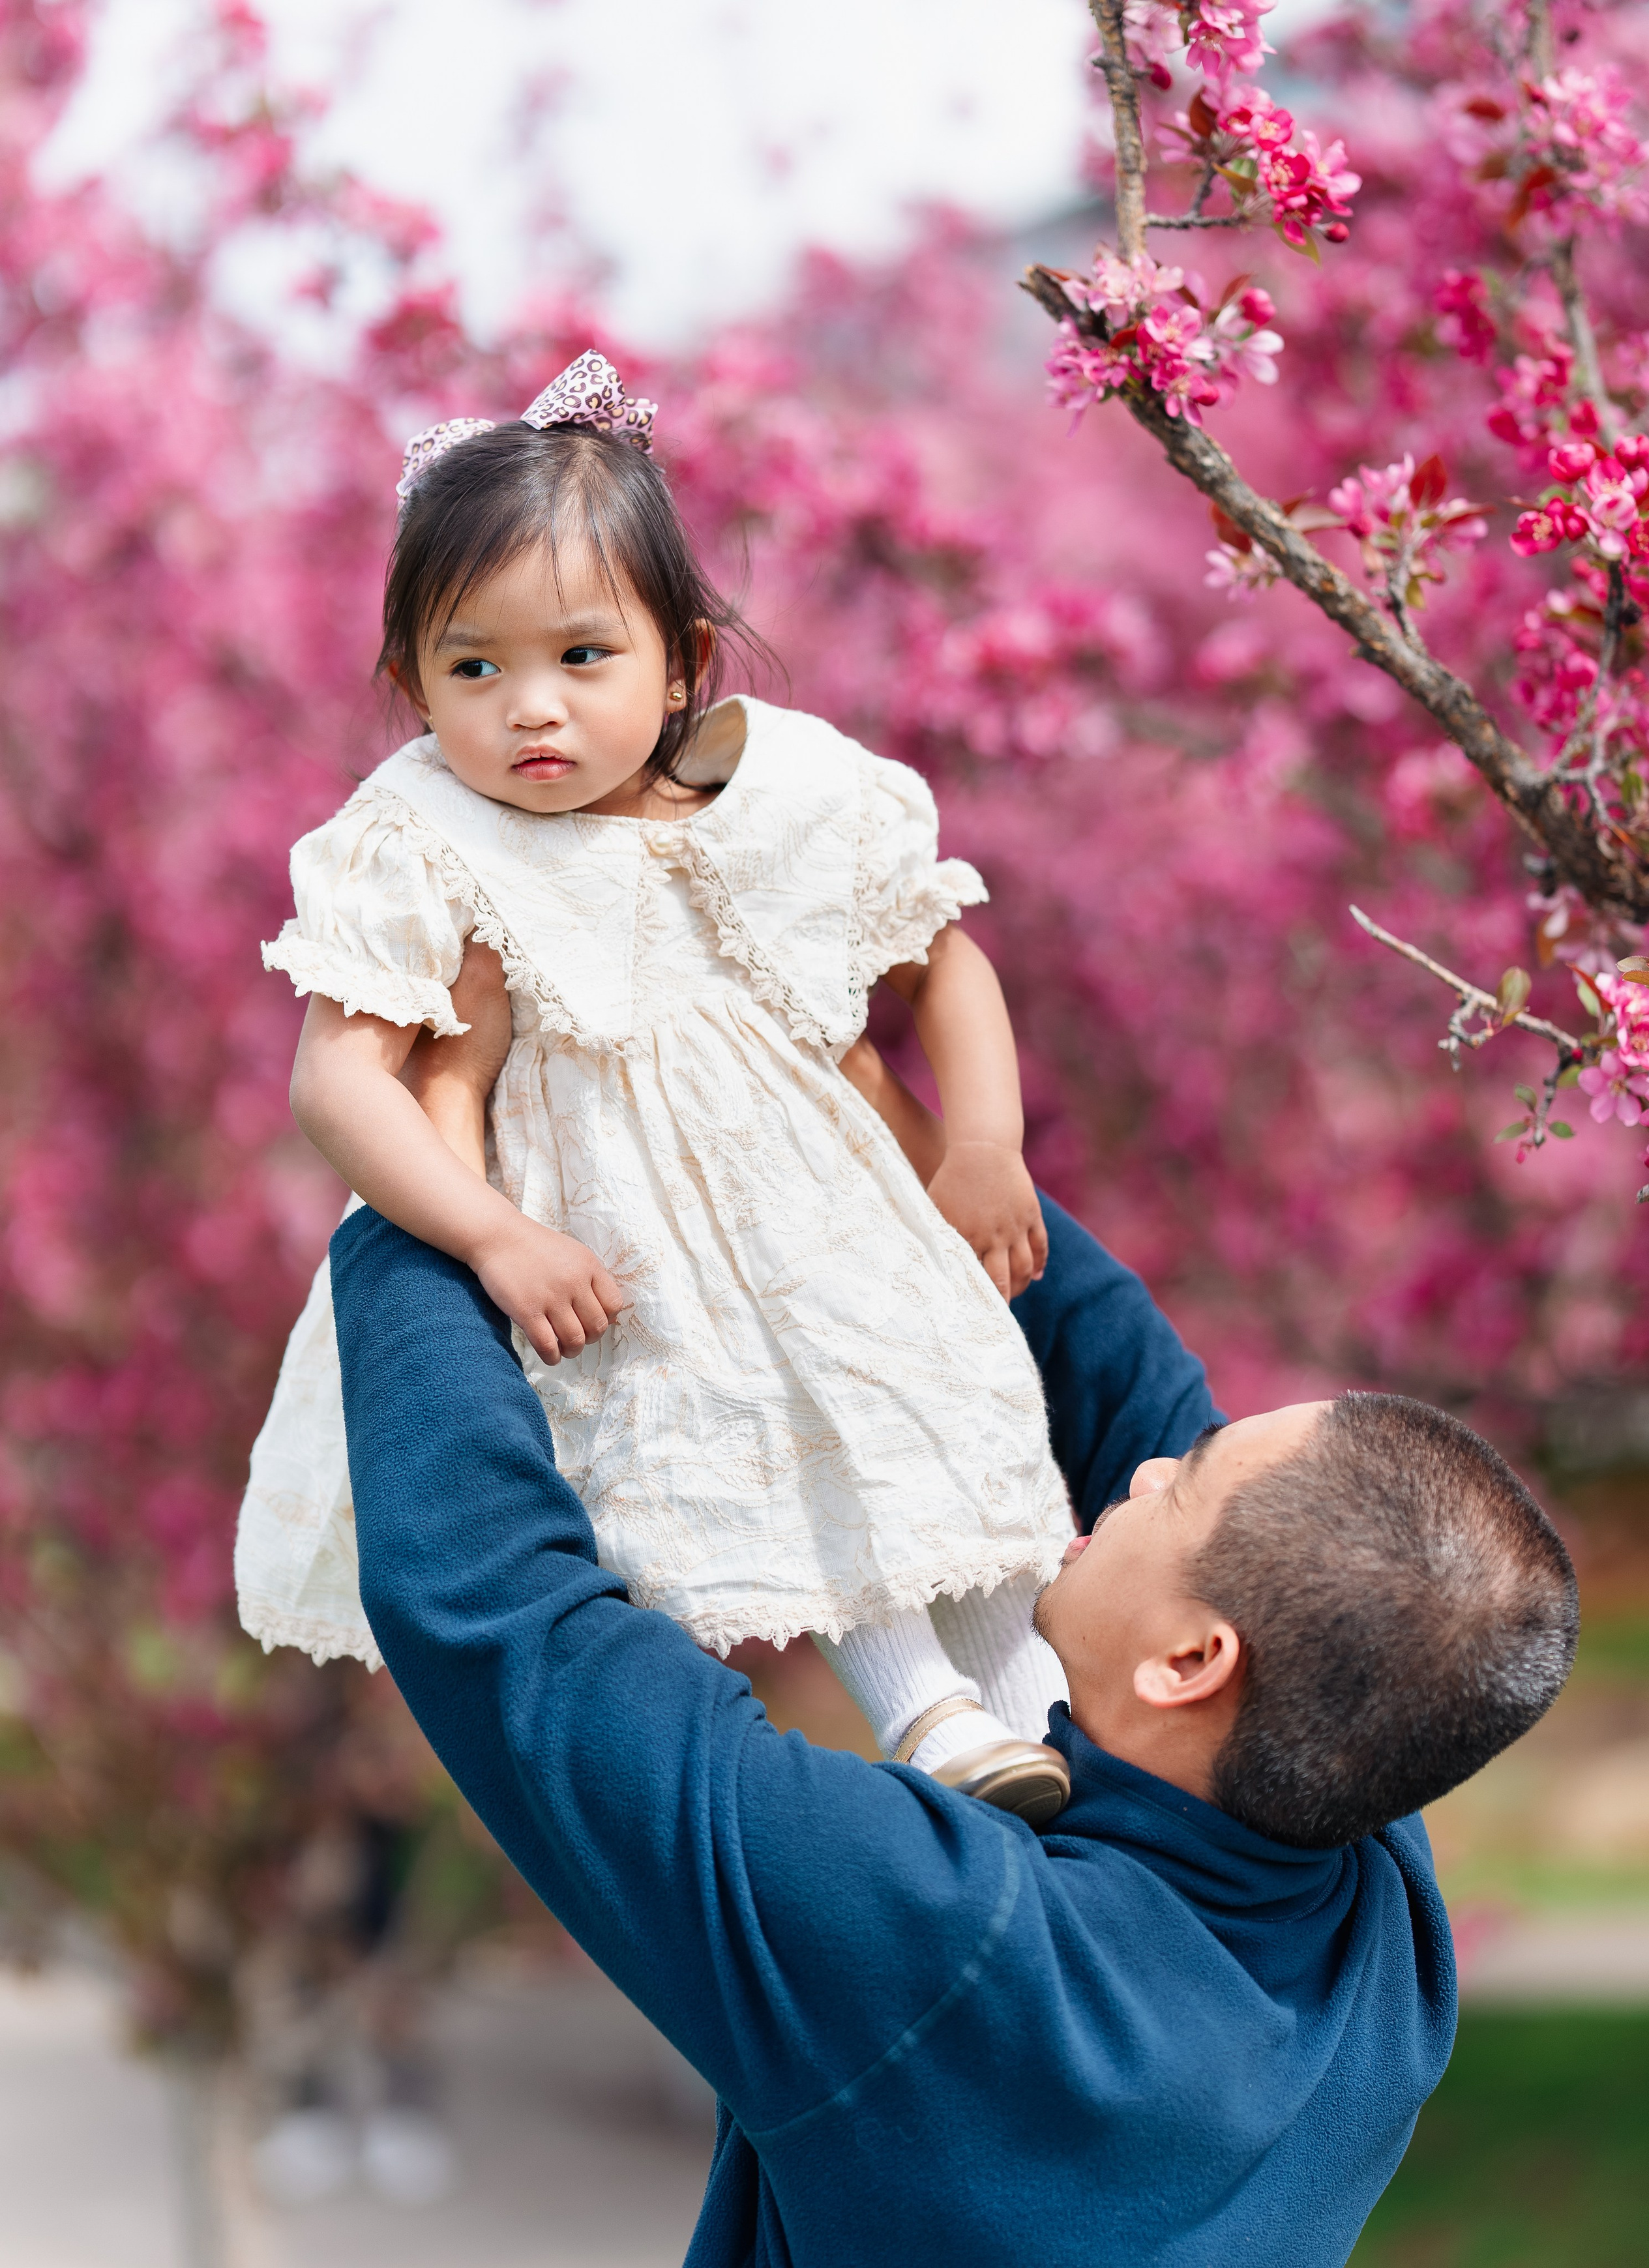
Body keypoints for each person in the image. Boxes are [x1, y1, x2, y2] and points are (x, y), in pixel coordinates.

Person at [330, 988, 1579, 2267]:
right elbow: (1123, 1382)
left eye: (1183, 1478)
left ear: (1192, 1662)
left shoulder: (949, 1956)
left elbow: (501, 1619)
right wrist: (872, 1102)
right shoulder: (1377, 1914)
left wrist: (425, 1166)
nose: (1144, 1470)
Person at [237, 348, 1078, 1817]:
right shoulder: (421, 835)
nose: (530, 711)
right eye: (471, 668)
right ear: (408, 683)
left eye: (582, 657)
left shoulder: (788, 785)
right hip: (625, 1239)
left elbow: (937, 957)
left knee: (933, 1418)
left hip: (823, 1203)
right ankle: (928, 1715)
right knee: (770, 1432)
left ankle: (1037, 1715)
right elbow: (339, 1083)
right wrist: (493, 1233)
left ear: (681, 658)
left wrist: (987, 1143)